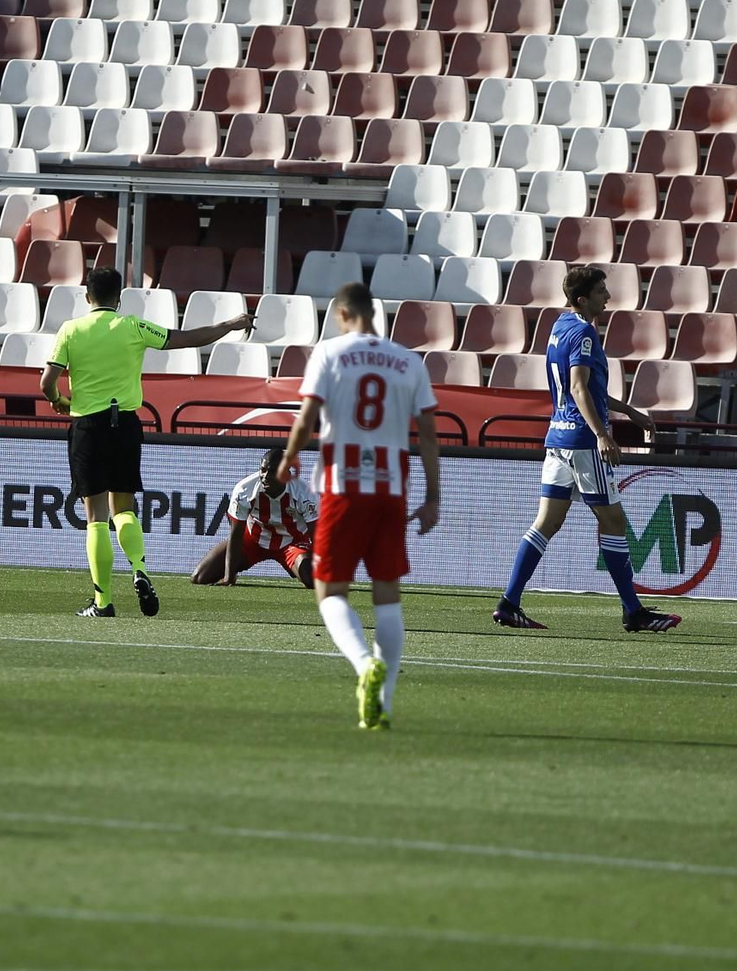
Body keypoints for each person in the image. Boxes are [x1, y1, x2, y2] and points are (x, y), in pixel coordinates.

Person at [40, 267, 255, 618]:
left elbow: (46, 381)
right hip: (125, 424)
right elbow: (187, 338)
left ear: (87, 296)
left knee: (96, 518)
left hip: (88, 426)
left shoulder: (71, 330)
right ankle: (139, 569)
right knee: (124, 509)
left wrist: (58, 400)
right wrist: (230, 324)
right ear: (119, 298)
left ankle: (103, 602)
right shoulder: (134, 326)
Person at [280, 282, 441, 731]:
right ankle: (382, 705)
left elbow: (307, 419)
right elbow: (429, 435)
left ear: (343, 314)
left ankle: (364, 663)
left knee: (330, 589)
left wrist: (290, 457)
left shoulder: (329, 353)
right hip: (391, 489)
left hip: (343, 486)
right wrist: (433, 497)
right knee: (387, 594)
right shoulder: (408, 361)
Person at [492, 266, 683, 634]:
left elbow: (583, 388)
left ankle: (509, 602)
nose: (607, 297)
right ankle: (633, 611)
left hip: (557, 438)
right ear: (583, 299)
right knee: (614, 523)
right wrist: (601, 435)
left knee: (546, 523)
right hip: (582, 441)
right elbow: (579, 387)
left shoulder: (560, 325)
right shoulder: (584, 333)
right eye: (600, 292)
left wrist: (628, 411)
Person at [191, 447, 317, 588]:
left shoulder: (305, 493)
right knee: (199, 577)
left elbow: (316, 536)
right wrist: (229, 576)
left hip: (293, 543)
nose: (265, 476)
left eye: (272, 471)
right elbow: (236, 535)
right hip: (253, 540)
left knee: (312, 580)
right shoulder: (244, 490)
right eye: (263, 470)